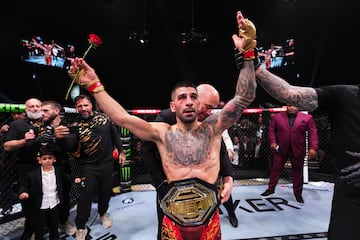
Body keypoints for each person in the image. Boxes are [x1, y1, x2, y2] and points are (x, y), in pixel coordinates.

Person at [67, 10, 257, 239]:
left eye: (193, 97)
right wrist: (95, 85)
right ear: (172, 106)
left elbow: (245, 96)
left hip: (209, 217)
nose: (188, 102)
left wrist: (247, 53)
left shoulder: (213, 127)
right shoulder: (162, 132)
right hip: (173, 219)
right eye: (182, 98)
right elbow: (121, 118)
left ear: (200, 105)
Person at [232, 11, 360, 239]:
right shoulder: (347, 96)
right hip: (350, 203)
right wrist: (252, 57)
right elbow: (291, 94)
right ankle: (272, 188)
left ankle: (296, 192)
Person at [140, 84, 239, 239]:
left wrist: (228, 176)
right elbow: (146, 149)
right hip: (173, 184)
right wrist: (160, 181)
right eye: (207, 107)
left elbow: (221, 150)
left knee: (212, 213)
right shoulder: (167, 118)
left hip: (205, 181)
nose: (210, 112)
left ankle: (232, 214)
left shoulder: (209, 121)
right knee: (166, 221)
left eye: (212, 108)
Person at [72, 95, 126, 240]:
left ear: (91, 105)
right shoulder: (75, 125)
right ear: (76, 108)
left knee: (105, 192)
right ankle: (81, 226)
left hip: (107, 163)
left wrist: (121, 151)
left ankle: (103, 213)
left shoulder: (104, 118)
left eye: (85, 105)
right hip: (87, 166)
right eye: (80, 106)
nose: (83, 108)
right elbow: (71, 148)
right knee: (85, 197)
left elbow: (115, 135)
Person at [260, 104, 319, 203]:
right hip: (281, 148)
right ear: (286, 106)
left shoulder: (307, 118)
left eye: (294, 106)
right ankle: (270, 189)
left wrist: (313, 148)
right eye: (289, 105)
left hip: (298, 148)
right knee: (275, 169)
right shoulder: (277, 117)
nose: (291, 108)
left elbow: (313, 132)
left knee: (298, 172)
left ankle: (298, 194)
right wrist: (273, 142)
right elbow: (271, 130)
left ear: (298, 107)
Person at [3, 97, 43, 240]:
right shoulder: (18, 124)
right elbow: (7, 146)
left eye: (38, 106)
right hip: (27, 168)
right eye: (31, 106)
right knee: (30, 204)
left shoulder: (48, 122)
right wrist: (24, 140)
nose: (35, 108)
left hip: (49, 166)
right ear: (26, 109)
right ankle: (31, 230)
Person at [38, 100, 78, 235]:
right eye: (41, 111)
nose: (42, 113)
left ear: (56, 111)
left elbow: (70, 146)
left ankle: (64, 221)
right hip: (40, 169)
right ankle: (42, 225)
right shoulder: (38, 126)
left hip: (61, 168)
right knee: (40, 198)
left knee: (63, 197)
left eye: (45, 111)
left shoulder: (68, 126)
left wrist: (58, 138)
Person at [18, 145, 68, 240]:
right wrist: (23, 192)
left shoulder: (58, 171)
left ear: (54, 159)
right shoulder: (32, 174)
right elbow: (24, 184)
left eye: (50, 158)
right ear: (39, 160)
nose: (48, 160)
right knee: (39, 228)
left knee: (54, 226)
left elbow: (67, 179)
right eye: (44, 159)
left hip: (54, 203)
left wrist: (77, 178)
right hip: (40, 206)